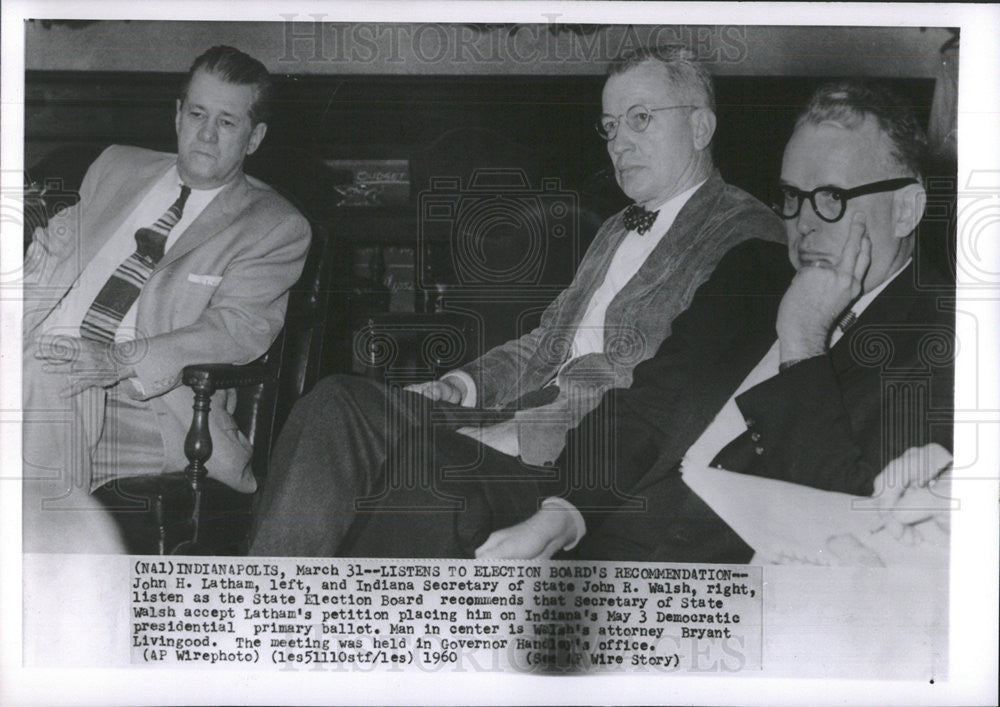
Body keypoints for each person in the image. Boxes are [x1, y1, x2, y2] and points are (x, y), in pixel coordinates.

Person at [339, 79, 954, 563]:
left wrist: (801, 343)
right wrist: (563, 513)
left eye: (833, 199)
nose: (805, 224)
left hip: (723, 576)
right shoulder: (754, 274)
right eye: (792, 197)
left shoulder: (945, 345)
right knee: (422, 471)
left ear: (906, 207)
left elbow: (853, 521)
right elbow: (647, 407)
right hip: (613, 521)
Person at [248, 45, 785, 557]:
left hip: (583, 448)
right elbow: (548, 340)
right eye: (610, 125)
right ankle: (264, 606)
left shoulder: (747, 235)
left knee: (424, 465)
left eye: (640, 118)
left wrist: (529, 431)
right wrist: (464, 384)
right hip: (512, 406)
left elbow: (666, 391)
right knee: (336, 400)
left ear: (700, 126)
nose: (618, 142)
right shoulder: (619, 226)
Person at [22, 46, 311, 537]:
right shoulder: (116, 166)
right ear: (177, 114)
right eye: (197, 113)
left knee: (45, 369)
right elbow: (49, 256)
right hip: (38, 367)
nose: (205, 133)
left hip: (150, 408)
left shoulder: (275, 226)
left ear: (254, 137)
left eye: (226, 122)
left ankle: (49, 579)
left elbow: (235, 330)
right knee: (35, 363)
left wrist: (120, 358)